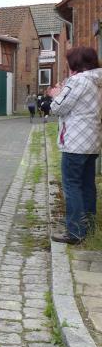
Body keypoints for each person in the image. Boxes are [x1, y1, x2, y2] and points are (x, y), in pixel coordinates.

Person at [46, 46, 102, 244]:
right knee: (87, 186)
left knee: (72, 186)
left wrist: (56, 94)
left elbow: (58, 108)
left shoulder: (78, 81)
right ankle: (90, 227)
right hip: (92, 142)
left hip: (75, 142)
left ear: (76, 63)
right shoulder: (96, 81)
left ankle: (76, 231)